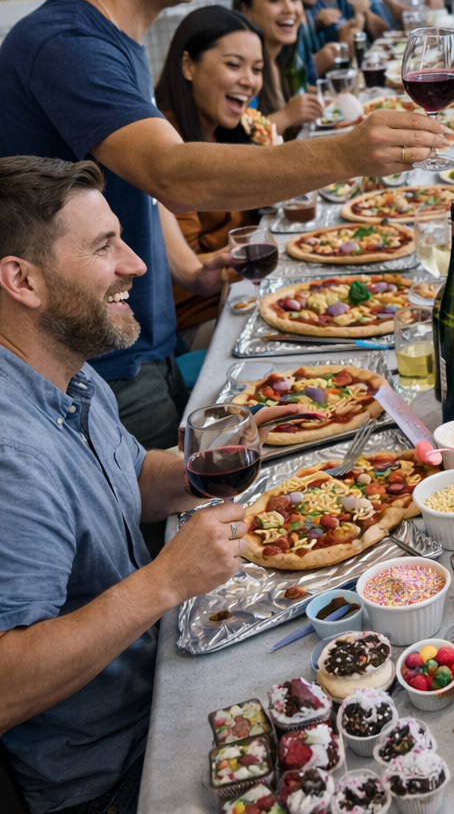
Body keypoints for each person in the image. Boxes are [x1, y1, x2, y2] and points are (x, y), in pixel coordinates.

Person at [0, 0, 448, 448]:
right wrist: (347, 154)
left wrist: (187, 269)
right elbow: (170, 173)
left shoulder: (112, 38)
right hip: (88, 363)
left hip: (134, 336)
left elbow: (138, 184)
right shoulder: (68, 41)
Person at [0, 156, 299, 814]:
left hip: (165, 661)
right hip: (117, 770)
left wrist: (218, 459)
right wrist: (165, 580)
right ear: (22, 279)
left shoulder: (65, 368)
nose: (137, 264)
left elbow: (127, 478)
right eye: (105, 246)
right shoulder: (11, 456)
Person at [153, 5, 271, 350]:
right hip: (198, 320)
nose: (249, 80)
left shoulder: (223, 133)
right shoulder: (166, 143)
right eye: (234, 65)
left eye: (257, 69)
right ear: (188, 65)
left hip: (238, 296)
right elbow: (186, 268)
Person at [232, 0, 324, 136]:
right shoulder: (244, 71)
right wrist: (287, 116)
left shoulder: (286, 58)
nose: (290, 9)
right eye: (275, 0)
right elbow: (241, 137)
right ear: (246, 10)